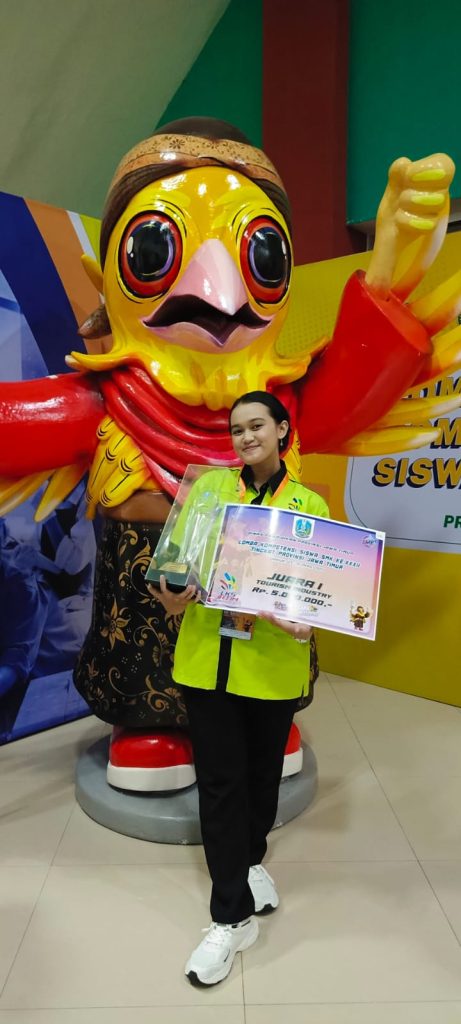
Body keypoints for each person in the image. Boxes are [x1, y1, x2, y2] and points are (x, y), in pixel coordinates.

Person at [148, 390, 329, 986]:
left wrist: (308, 621)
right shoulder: (207, 492)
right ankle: (230, 918)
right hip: (208, 664)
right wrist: (171, 594)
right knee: (221, 786)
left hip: (271, 667)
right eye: (237, 429)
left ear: (282, 430)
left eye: (257, 426)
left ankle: (249, 861)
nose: (246, 437)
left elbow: (319, 593)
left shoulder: (308, 506)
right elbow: (173, 565)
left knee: (261, 781)